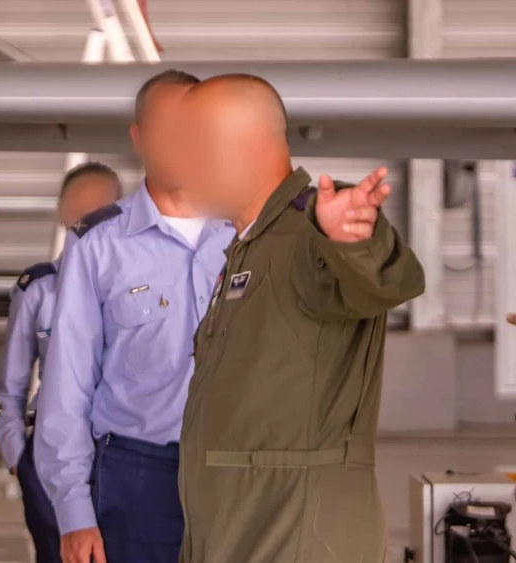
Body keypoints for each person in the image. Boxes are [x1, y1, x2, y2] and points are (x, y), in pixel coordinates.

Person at [173, 74, 425, 563]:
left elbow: (380, 279)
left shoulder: (307, 234)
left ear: (244, 147)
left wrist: (352, 241)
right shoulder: (253, 246)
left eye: (191, 145)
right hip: (244, 528)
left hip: (294, 536)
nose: (177, 164)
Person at [32, 70, 234, 563]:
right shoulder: (98, 245)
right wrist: (74, 511)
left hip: (237, 475)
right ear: (138, 137)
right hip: (136, 475)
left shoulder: (246, 233)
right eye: (165, 127)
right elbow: (68, 383)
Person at [0, 162, 124, 563]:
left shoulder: (138, 285)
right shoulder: (39, 290)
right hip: (50, 457)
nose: (88, 220)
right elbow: (11, 387)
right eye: (79, 209)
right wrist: (20, 459)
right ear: (62, 213)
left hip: (123, 456)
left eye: (100, 208)